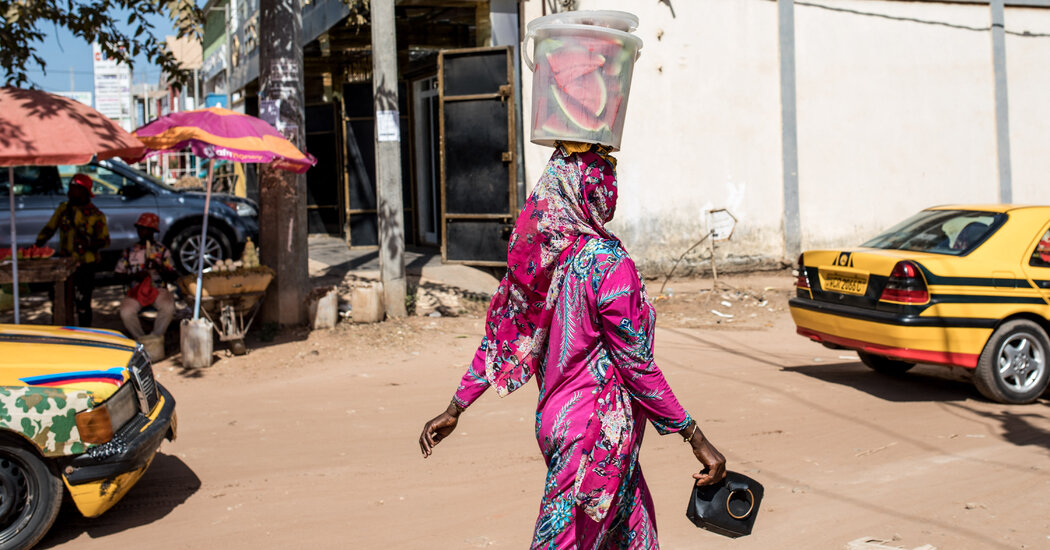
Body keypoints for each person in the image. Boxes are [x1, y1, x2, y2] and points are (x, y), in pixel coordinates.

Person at [419, 143, 727, 548]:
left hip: (567, 426)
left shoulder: (545, 261)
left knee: (635, 535)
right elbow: (636, 365)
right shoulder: (609, 265)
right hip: (593, 439)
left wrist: (456, 407)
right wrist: (695, 437)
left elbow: (503, 338)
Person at [36, 173, 109, 326]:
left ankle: (85, 332)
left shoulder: (96, 215)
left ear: (83, 191)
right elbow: (50, 228)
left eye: (72, 189)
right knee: (60, 299)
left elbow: (105, 241)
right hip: (64, 262)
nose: (69, 192)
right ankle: (64, 330)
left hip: (86, 264)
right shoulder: (63, 209)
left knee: (83, 302)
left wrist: (88, 244)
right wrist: (37, 245)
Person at [115, 213, 177, 340]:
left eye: (145, 229)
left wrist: (159, 267)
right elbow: (117, 275)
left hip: (158, 290)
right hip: (135, 291)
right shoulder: (129, 251)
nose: (141, 232)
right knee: (126, 312)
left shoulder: (162, 250)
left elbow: (173, 275)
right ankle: (141, 339)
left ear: (152, 231)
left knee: (168, 307)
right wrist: (134, 276)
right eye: (140, 228)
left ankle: (156, 338)